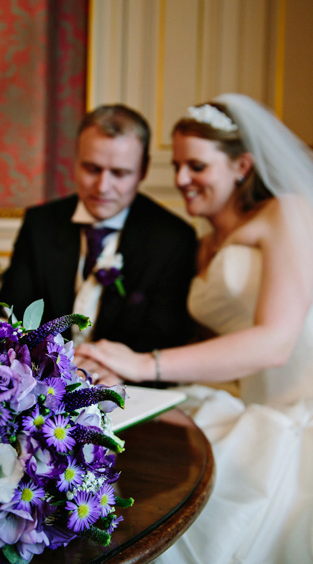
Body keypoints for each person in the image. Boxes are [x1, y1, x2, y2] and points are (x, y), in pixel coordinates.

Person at [77, 94, 313, 563]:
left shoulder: (288, 212)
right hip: (236, 396)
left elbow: (275, 342)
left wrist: (145, 364)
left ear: (242, 165)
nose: (181, 180)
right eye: (178, 164)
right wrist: (103, 363)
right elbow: (201, 342)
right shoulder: (201, 246)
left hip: (294, 406)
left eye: (197, 167)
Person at [0, 104, 197, 372]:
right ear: (76, 160)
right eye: (92, 168)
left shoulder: (173, 238)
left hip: (128, 390)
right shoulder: (40, 223)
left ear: (143, 169)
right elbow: (10, 313)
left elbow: (165, 339)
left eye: (120, 173)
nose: (102, 187)